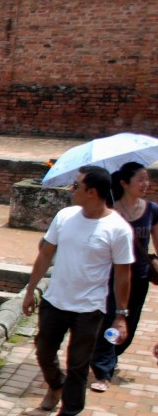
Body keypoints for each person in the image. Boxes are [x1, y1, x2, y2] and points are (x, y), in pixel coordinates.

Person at [21, 166, 134, 416]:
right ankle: (55, 384)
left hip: (89, 307)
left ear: (91, 192)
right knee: (44, 349)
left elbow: (123, 274)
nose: (72, 190)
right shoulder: (64, 217)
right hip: (55, 300)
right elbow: (45, 254)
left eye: (76, 185)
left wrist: (121, 315)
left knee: (79, 365)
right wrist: (30, 289)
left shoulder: (117, 228)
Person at [88, 162, 158, 392]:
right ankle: (103, 370)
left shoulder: (152, 210)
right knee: (111, 320)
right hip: (113, 277)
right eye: (140, 179)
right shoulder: (110, 210)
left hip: (138, 277)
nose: (145, 184)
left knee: (129, 325)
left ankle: (109, 356)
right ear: (124, 183)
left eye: (147, 179)